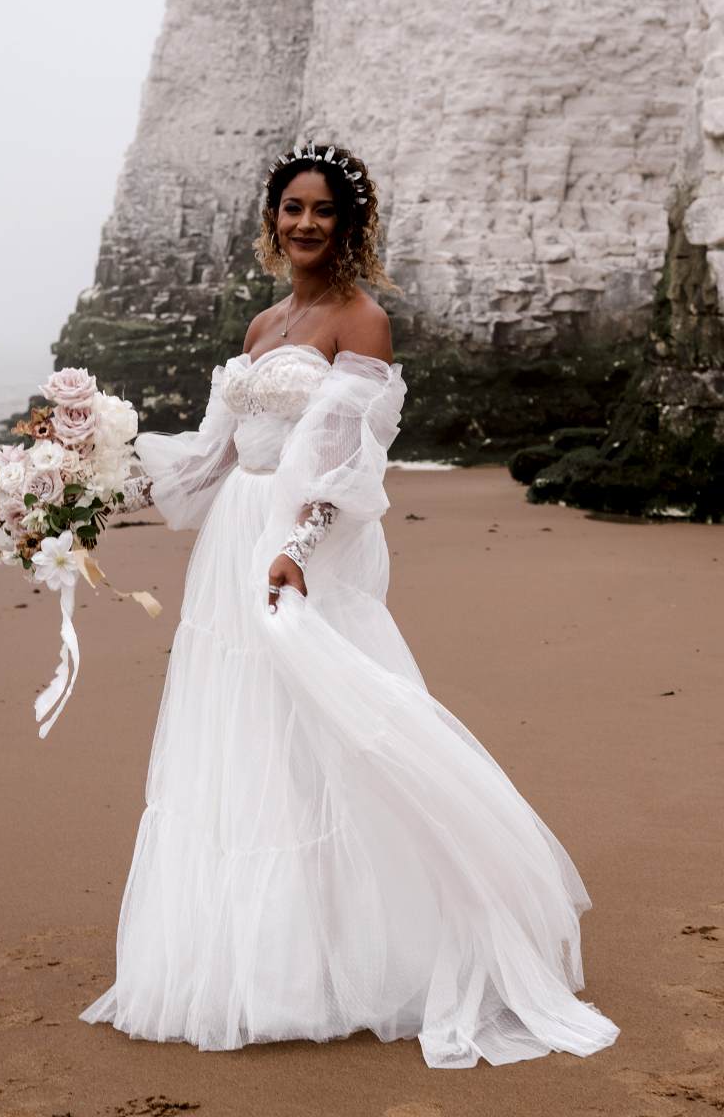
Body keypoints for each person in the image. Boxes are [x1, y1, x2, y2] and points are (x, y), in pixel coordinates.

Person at [78, 141, 620, 1068]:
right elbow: (214, 461)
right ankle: (261, 957)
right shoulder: (261, 326)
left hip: (298, 552)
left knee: (329, 729)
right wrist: (84, 474)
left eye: (322, 210)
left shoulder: (362, 322)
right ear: (271, 218)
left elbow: (350, 462)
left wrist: (293, 551)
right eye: (291, 208)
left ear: (349, 224)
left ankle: (362, 947)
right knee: (247, 741)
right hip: (231, 546)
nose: (305, 224)